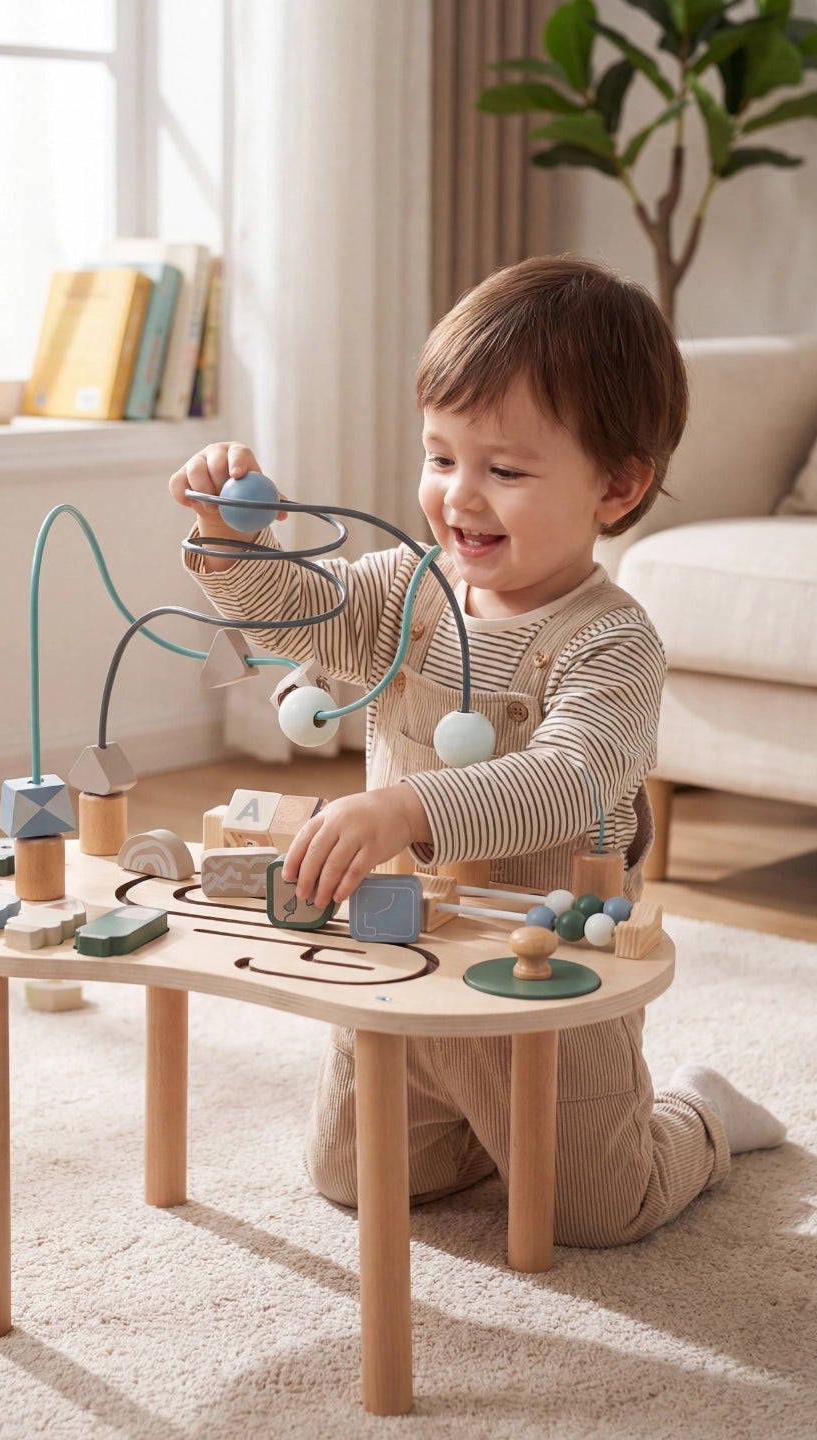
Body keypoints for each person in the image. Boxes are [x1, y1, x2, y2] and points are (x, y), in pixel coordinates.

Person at [169, 255, 786, 1246]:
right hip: (403, 960)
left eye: (504, 470)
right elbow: (293, 617)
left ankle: (699, 1115)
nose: (460, 495)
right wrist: (228, 540)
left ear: (618, 487)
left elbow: (565, 777)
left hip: (551, 979)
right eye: (440, 456)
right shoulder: (403, 591)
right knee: (352, 1179)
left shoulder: (612, 641)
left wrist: (402, 811)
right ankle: (472, 1130)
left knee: (595, 1212)